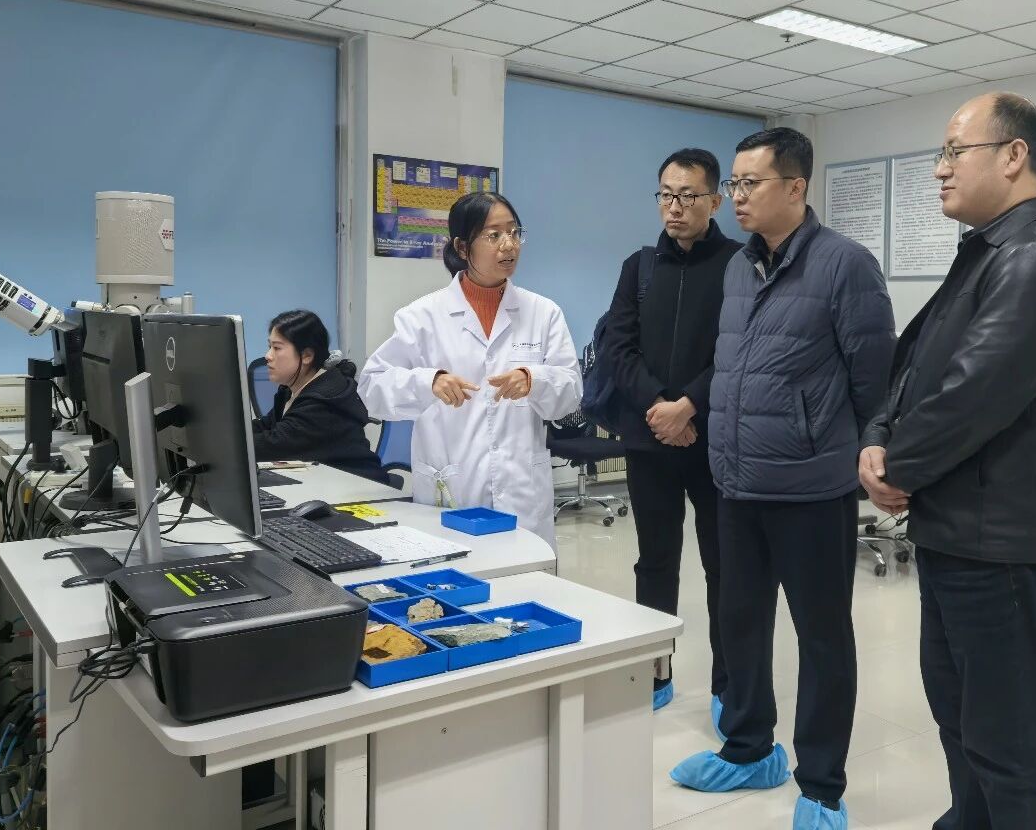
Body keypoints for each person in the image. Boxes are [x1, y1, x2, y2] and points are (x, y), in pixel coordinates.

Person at [859, 93, 1036, 830]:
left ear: (1014, 155)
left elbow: (972, 394)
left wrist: (897, 468)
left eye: (953, 152)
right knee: (963, 724)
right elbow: (914, 370)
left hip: (1008, 548)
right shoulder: (987, 253)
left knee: (1012, 747)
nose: (939, 169)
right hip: (959, 535)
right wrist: (877, 435)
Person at [671, 127, 895, 830]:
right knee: (739, 622)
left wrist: (868, 454)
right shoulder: (741, 267)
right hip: (737, 482)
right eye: (733, 184)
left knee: (822, 637)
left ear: (795, 187)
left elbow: (876, 384)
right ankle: (748, 749)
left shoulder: (845, 265)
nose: (735, 197)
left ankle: (822, 786)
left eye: (749, 183)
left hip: (810, 488)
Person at [599, 147, 742, 713]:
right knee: (655, 560)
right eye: (665, 195)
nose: (674, 207)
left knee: (723, 566)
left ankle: (728, 684)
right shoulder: (638, 267)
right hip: (650, 439)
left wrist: (690, 406)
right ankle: (654, 671)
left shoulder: (739, 264)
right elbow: (618, 347)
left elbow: (738, 350)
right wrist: (660, 406)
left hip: (714, 443)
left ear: (716, 200)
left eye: (687, 195)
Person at [358, 193, 580, 549]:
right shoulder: (422, 316)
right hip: (453, 488)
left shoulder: (544, 313)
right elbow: (372, 387)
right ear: (462, 247)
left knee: (526, 573)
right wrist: (428, 382)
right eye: (494, 235)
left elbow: (569, 392)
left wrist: (533, 380)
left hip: (522, 490)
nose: (509, 244)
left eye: (514, 232)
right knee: (458, 574)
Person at [251, 309, 388, 483]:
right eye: (269, 347)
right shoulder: (291, 390)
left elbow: (273, 444)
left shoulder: (324, 400)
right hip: (328, 483)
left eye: (277, 348)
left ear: (307, 355)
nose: (268, 356)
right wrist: (227, 434)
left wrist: (223, 445)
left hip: (362, 487)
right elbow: (266, 426)